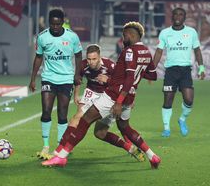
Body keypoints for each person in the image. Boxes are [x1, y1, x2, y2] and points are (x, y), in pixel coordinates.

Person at [42, 21, 161, 169]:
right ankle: (152, 156)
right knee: (124, 128)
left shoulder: (129, 51)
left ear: (130, 35)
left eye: (124, 36)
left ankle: (61, 156)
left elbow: (130, 77)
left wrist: (118, 101)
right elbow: (152, 75)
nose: (123, 40)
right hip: (130, 96)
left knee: (85, 120)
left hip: (114, 95)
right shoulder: (146, 52)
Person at [47, 44, 145, 162]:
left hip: (108, 95)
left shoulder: (110, 66)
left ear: (100, 57)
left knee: (101, 133)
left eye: (94, 59)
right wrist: (76, 94)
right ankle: (59, 150)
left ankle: (129, 146)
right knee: (76, 118)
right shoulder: (83, 65)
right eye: (89, 59)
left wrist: (130, 99)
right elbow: (78, 79)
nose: (91, 62)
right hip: (91, 92)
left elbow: (126, 82)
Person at [29, 8, 82, 159]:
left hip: (66, 79)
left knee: (62, 113)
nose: (55, 27)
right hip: (48, 78)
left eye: (58, 24)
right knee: (46, 110)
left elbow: (78, 55)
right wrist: (33, 78)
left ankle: (60, 144)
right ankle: (45, 146)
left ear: (63, 22)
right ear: (49, 23)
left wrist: (77, 74)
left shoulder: (72, 36)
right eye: (52, 24)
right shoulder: (42, 37)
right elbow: (38, 57)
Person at [153, 7, 205, 137]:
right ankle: (166, 128)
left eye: (181, 14)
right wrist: (151, 68)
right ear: (172, 17)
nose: (178, 16)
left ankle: (182, 119)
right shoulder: (165, 33)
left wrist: (201, 67)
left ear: (184, 17)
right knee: (168, 100)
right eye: (175, 14)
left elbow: (197, 50)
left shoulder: (191, 32)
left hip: (185, 71)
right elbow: (159, 51)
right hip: (171, 71)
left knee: (189, 100)